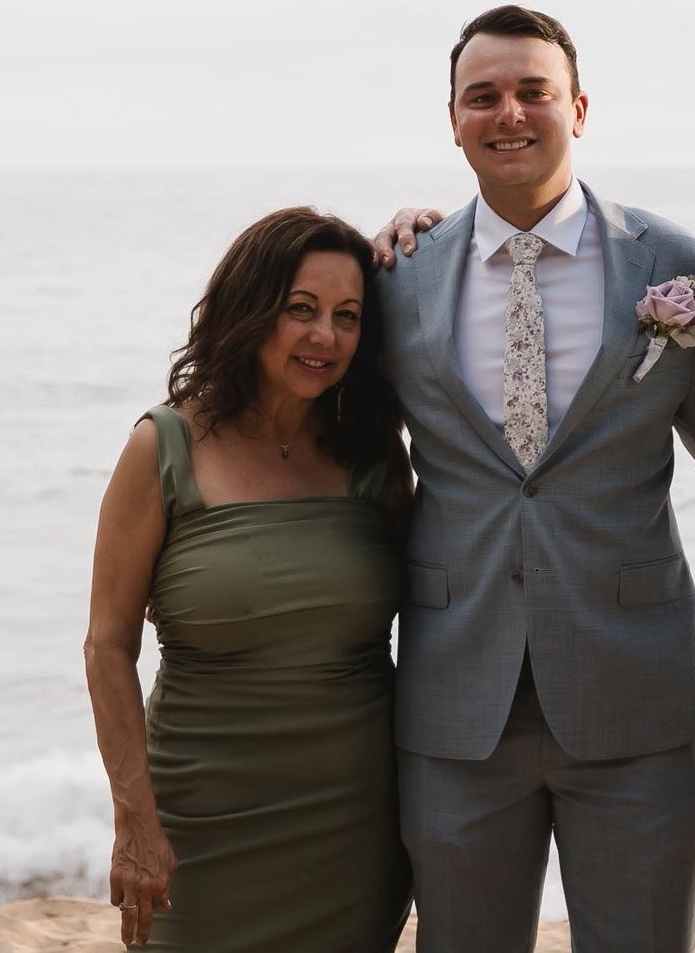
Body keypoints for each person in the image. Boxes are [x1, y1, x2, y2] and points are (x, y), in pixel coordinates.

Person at [375, 4, 695, 953]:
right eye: (482, 96)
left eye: (534, 91)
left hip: (634, 694)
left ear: (579, 107)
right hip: (456, 701)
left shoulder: (679, 267)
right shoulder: (398, 276)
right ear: (453, 120)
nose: (510, 113)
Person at [83, 207, 413, 952]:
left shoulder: (375, 460)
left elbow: (442, 608)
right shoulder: (164, 446)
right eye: (301, 309)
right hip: (197, 828)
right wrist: (135, 821)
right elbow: (107, 646)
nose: (325, 336)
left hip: (355, 831)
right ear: (250, 309)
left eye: (347, 316)